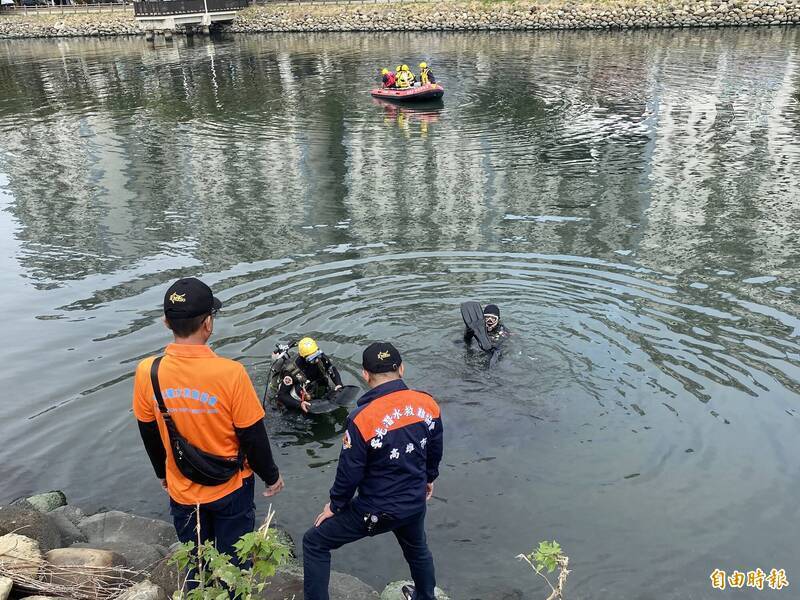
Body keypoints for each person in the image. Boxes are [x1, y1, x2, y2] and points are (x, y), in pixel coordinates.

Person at [133, 277, 285, 579]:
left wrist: (163, 474)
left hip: (182, 489)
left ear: (166, 322)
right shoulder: (231, 374)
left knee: (196, 560)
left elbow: (148, 431)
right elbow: (253, 436)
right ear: (208, 324)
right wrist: (272, 476)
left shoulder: (148, 372)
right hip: (231, 488)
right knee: (233, 565)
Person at [303, 342, 444, 600]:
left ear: (366, 375)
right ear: (401, 369)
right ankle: (426, 596)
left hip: (375, 509)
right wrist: (429, 478)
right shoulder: (428, 404)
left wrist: (335, 506)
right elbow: (435, 449)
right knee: (417, 549)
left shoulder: (361, 418)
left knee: (315, 542)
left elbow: (350, 472)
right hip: (413, 501)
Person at [275, 337, 343, 413]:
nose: (317, 360)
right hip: (302, 394)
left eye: (317, 355)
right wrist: (300, 404)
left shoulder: (320, 356)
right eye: (313, 359)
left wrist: (338, 384)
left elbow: (331, 369)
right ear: (304, 358)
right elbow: (282, 395)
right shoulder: (291, 371)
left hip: (316, 385)